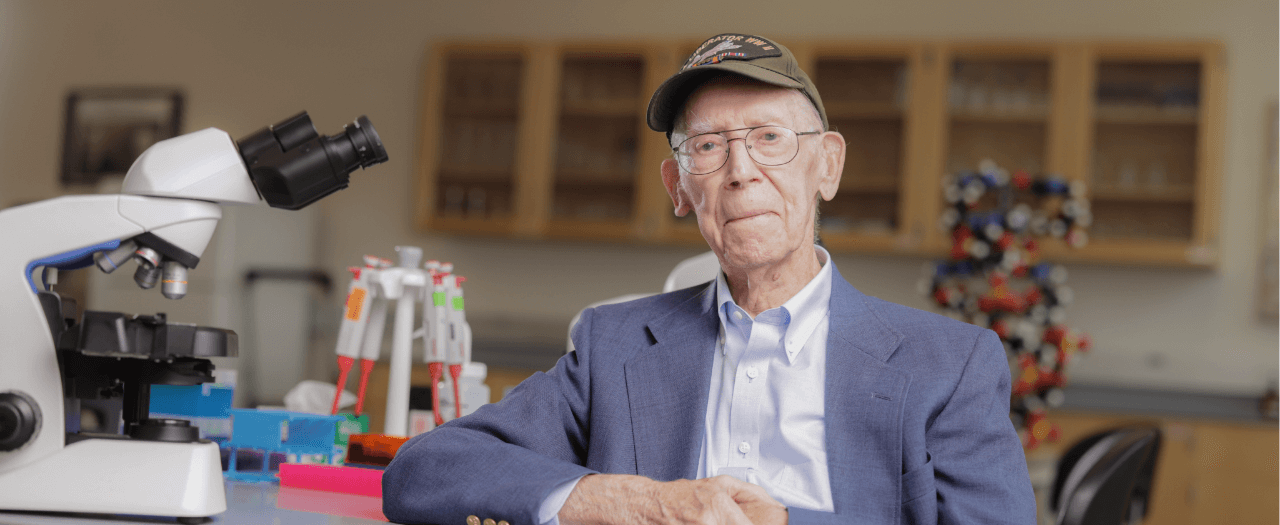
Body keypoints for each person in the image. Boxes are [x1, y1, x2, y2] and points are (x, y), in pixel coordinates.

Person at [384, 33, 1036, 525]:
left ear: (827, 166)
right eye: (708, 146)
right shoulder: (613, 345)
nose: (741, 170)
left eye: (769, 138)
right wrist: (629, 501)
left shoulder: (949, 365)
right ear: (679, 187)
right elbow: (423, 470)